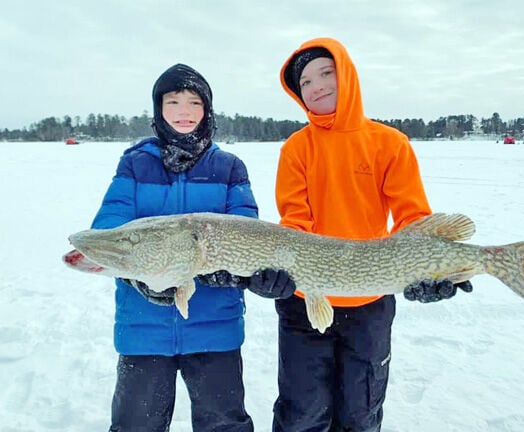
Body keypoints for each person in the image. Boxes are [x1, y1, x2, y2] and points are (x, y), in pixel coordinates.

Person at [273, 38, 472, 431]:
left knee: (360, 412)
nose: (317, 86)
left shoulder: (388, 143)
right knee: (302, 413)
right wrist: (274, 267)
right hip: (304, 301)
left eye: (326, 73)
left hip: (370, 303)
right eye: (306, 82)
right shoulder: (297, 149)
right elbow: (295, 221)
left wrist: (433, 270)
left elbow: (412, 218)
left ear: (346, 75)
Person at [91, 63, 295, 432]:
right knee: (135, 426)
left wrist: (259, 278)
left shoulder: (229, 166)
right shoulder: (136, 164)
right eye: (173, 102)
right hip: (144, 329)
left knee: (224, 425)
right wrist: (142, 279)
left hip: (215, 327)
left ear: (207, 111)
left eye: (194, 102)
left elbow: (249, 232)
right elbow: (109, 229)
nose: (184, 112)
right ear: (158, 110)